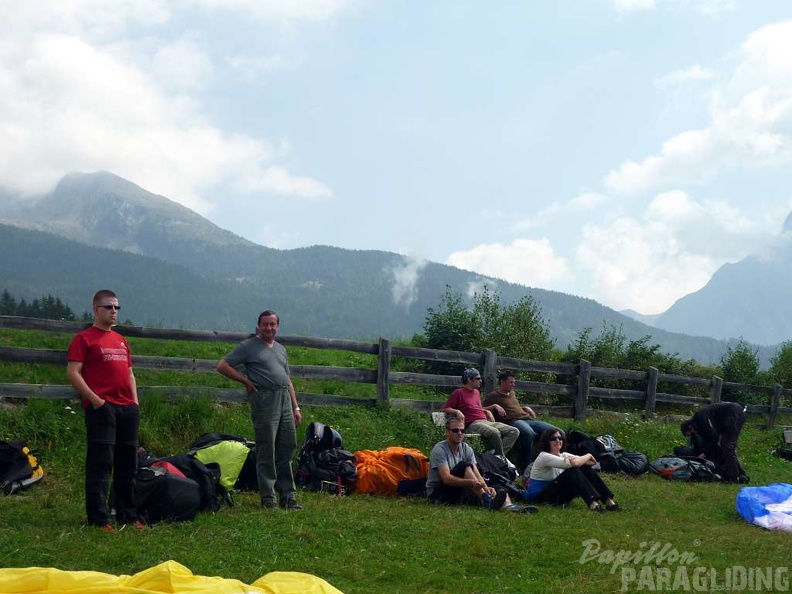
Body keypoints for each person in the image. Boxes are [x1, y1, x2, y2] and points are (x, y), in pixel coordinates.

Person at [66, 289, 144, 532]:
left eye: (116, 308)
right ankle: (99, 518)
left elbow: (129, 372)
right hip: (102, 407)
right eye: (108, 307)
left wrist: (135, 401)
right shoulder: (84, 338)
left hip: (127, 407)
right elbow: (73, 372)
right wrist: (95, 400)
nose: (114, 312)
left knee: (127, 462)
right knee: (101, 462)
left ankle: (127, 514)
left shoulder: (121, 340)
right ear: (96, 309)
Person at [217, 310, 303, 510]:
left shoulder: (281, 349)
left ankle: (288, 495)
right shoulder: (248, 346)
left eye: (273, 324)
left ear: (277, 326)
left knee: (287, 446)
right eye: (265, 324)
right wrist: (245, 380)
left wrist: (295, 406)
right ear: (258, 326)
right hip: (265, 400)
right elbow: (222, 365)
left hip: (284, 400)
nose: (269, 328)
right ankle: (268, 497)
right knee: (266, 448)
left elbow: (287, 379)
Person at [427, 417, 534, 512]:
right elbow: (446, 479)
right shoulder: (440, 450)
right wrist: (472, 482)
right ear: (447, 432)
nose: (459, 433)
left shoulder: (466, 448)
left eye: (462, 430)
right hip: (438, 494)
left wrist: (486, 487)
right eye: (455, 430)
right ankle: (486, 499)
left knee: (495, 484)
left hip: (459, 489)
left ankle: (508, 506)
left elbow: (477, 473)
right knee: (464, 465)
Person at [524, 429, 620, 513]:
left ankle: (609, 501)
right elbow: (578, 463)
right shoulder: (544, 456)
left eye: (560, 438)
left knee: (583, 468)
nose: (558, 440)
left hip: (555, 493)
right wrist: (589, 455)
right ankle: (593, 503)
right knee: (573, 470)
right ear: (546, 441)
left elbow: (591, 463)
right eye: (553, 438)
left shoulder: (564, 455)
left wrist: (585, 459)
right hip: (541, 497)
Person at [483, 371, 559, 472]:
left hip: (527, 418)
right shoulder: (493, 396)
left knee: (554, 431)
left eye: (514, 382)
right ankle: (527, 467)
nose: (513, 385)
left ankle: (554, 461)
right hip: (514, 421)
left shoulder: (512, 393)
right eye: (511, 382)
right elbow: (481, 408)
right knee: (529, 433)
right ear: (502, 382)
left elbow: (514, 408)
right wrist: (494, 406)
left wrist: (525, 408)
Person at [441, 368, 519, 458]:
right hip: (472, 424)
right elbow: (444, 408)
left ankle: (493, 456)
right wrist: (456, 411)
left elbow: (477, 408)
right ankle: (500, 458)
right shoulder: (458, 392)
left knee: (514, 431)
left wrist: (487, 411)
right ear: (469, 379)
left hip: (485, 422)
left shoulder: (477, 392)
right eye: (478, 379)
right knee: (495, 432)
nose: (480, 381)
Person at [680, 402, 749, 483]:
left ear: (690, 427)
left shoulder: (701, 418)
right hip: (731, 416)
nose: (693, 434)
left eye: (690, 433)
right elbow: (710, 438)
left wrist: (705, 453)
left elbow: (713, 437)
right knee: (727, 447)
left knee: (726, 446)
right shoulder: (698, 422)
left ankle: (734, 477)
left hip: (734, 413)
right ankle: (740, 474)